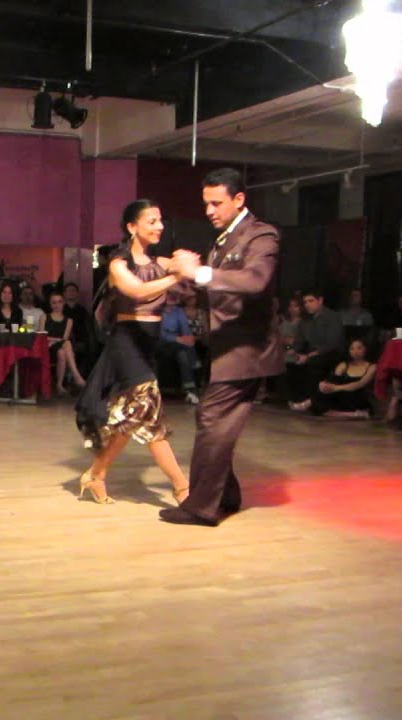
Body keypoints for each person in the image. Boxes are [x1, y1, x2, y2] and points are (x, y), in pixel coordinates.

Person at [165, 168, 282, 526]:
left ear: (239, 200)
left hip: (247, 349)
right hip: (227, 348)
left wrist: (198, 273)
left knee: (213, 417)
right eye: (206, 204)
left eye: (216, 203)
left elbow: (255, 280)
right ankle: (226, 497)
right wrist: (176, 277)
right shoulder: (224, 240)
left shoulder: (261, 234)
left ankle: (202, 507)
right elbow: (212, 288)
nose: (209, 211)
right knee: (213, 419)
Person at [74, 199, 190, 506]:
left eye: (160, 220)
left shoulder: (161, 263)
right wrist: (177, 275)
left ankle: (96, 475)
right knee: (150, 414)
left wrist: (188, 265)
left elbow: (193, 277)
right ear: (132, 227)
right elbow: (138, 291)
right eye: (151, 221)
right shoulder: (118, 265)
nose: (159, 226)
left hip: (148, 344)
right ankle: (182, 488)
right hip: (126, 344)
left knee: (131, 417)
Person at [290, 338, 375, 418]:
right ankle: (352, 414)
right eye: (352, 348)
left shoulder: (372, 366)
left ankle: (307, 403)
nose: (355, 351)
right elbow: (333, 380)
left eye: (359, 348)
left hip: (357, 397)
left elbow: (360, 384)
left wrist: (336, 388)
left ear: (366, 349)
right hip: (340, 395)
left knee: (319, 402)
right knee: (319, 401)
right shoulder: (344, 365)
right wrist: (324, 384)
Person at [286, 290, 344, 404]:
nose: (307, 304)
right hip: (309, 352)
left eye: (311, 301)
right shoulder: (305, 320)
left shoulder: (332, 316)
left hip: (330, 353)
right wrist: (290, 350)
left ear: (320, 300)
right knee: (289, 361)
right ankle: (294, 399)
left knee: (314, 362)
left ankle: (312, 400)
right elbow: (298, 342)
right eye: (305, 302)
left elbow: (332, 343)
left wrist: (308, 356)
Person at [160, 294, 201, 404]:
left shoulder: (178, 311)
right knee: (185, 349)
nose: (171, 297)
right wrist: (177, 339)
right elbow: (159, 333)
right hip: (162, 343)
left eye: (173, 295)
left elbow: (185, 329)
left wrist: (188, 338)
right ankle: (196, 365)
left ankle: (189, 391)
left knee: (183, 353)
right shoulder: (157, 311)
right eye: (168, 295)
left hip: (178, 343)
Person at [45, 291, 86, 395]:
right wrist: (56, 340)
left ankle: (59, 385)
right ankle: (76, 376)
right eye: (54, 302)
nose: (57, 305)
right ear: (50, 304)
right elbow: (42, 336)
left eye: (59, 302)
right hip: (47, 348)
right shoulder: (45, 317)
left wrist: (54, 340)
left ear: (63, 303)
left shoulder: (69, 320)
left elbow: (64, 338)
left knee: (62, 352)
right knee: (67, 344)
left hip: (60, 348)